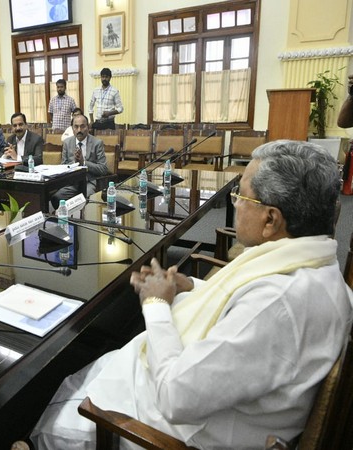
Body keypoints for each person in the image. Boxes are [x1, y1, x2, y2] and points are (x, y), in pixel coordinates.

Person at [30, 140, 353, 449]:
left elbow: (175, 397)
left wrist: (155, 304)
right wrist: (193, 287)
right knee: (94, 368)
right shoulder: (313, 268)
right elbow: (241, 307)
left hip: (181, 428)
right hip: (226, 402)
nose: (236, 202)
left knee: (63, 415)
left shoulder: (277, 304)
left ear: (271, 219)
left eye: (242, 196)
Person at [51, 114, 107, 208]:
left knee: (88, 200)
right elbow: (63, 166)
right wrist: (75, 164)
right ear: (72, 128)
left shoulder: (97, 143)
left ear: (88, 127)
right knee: (57, 198)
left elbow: (103, 168)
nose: (79, 130)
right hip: (71, 183)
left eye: (82, 126)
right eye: (76, 127)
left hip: (89, 182)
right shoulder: (67, 143)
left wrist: (83, 163)